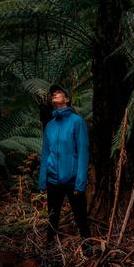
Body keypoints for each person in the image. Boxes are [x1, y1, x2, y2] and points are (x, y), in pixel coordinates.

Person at [38, 84, 90, 243]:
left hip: (73, 181)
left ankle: (88, 251)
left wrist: (80, 182)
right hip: (53, 180)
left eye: (58, 92)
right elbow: (46, 152)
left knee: (81, 219)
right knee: (52, 219)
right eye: (52, 93)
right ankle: (49, 253)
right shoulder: (50, 125)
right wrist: (42, 179)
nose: (54, 94)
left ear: (67, 99)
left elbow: (83, 152)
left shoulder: (77, 122)